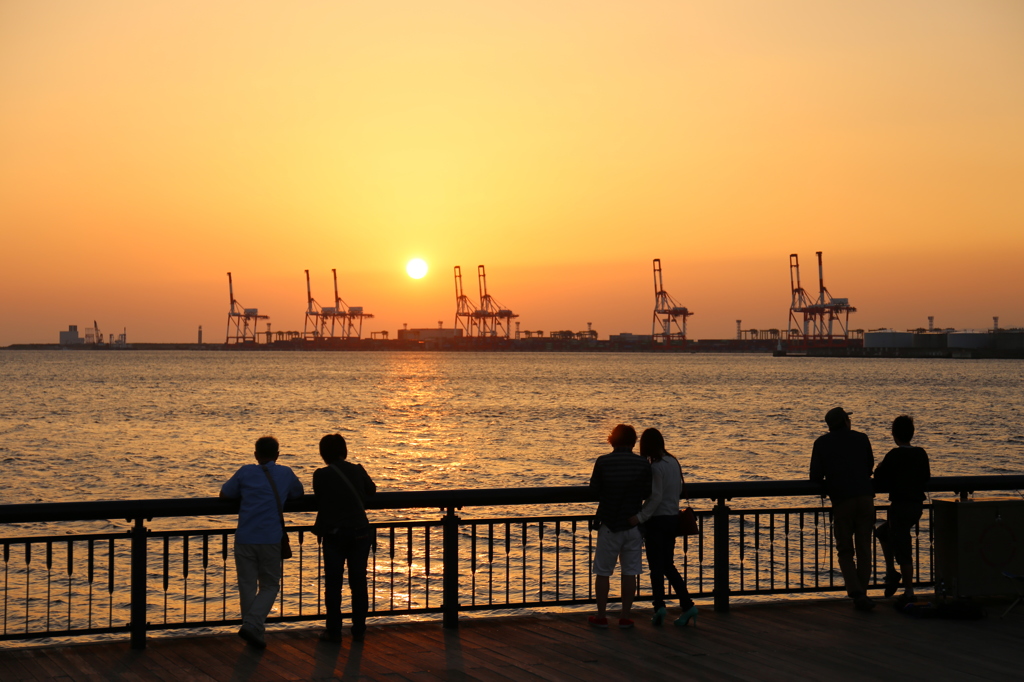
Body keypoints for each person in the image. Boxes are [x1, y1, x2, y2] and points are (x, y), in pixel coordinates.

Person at [220, 436, 304, 648]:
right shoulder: (285, 473)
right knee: (270, 585)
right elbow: (298, 493)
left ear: (256, 454)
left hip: (245, 537)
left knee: (247, 586)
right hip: (270, 538)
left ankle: (253, 629)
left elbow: (225, 494)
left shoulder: (245, 472)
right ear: (277, 454)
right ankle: (253, 626)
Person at [809, 407, 876, 611]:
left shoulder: (821, 443)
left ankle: (856, 592)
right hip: (865, 497)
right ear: (846, 421)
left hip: (842, 500)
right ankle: (862, 592)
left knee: (845, 548)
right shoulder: (862, 438)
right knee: (864, 546)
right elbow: (869, 466)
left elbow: (815, 475)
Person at [313, 433, 377, 643]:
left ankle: (334, 630)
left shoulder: (321, 475)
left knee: (333, 584)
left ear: (324, 454)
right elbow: (372, 490)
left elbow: (319, 496)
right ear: (344, 451)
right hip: (360, 532)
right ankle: (359, 628)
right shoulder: (357, 469)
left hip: (334, 534)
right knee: (358, 582)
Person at [631, 428, 698, 627]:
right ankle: (687, 606)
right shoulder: (673, 462)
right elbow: (676, 490)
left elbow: (656, 496)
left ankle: (659, 607)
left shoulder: (656, 467)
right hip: (672, 519)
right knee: (668, 565)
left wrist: (641, 516)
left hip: (657, 521)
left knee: (656, 567)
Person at [588, 424, 652, 629]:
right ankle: (625, 616)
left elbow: (594, 490)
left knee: (603, 572)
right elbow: (647, 492)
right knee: (630, 572)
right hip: (632, 524)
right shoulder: (643, 464)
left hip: (609, 524)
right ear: (633, 442)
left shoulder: (603, 462)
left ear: (612, 440)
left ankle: (601, 616)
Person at [873, 415, 930, 605]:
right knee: (883, 532)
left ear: (894, 435)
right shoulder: (920, 454)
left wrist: (880, 468)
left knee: (903, 546)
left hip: (900, 507)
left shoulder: (894, 455)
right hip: (916, 506)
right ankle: (891, 573)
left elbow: (879, 477)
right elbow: (926, 476)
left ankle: (909, 591)